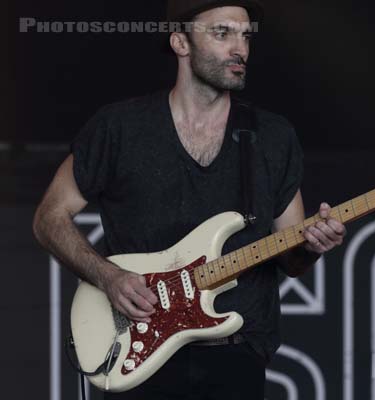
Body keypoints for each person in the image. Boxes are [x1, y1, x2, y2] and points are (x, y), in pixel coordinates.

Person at [32, 0, 346, 398]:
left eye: (246, 35)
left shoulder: (271, 138)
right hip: (140, 350)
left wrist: (314, 246)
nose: (241, 49)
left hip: (236, 356)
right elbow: (49, 218)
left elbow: (292, 258)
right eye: (222, 33)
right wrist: (107, 277)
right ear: (180, 42)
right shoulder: (120, 128)